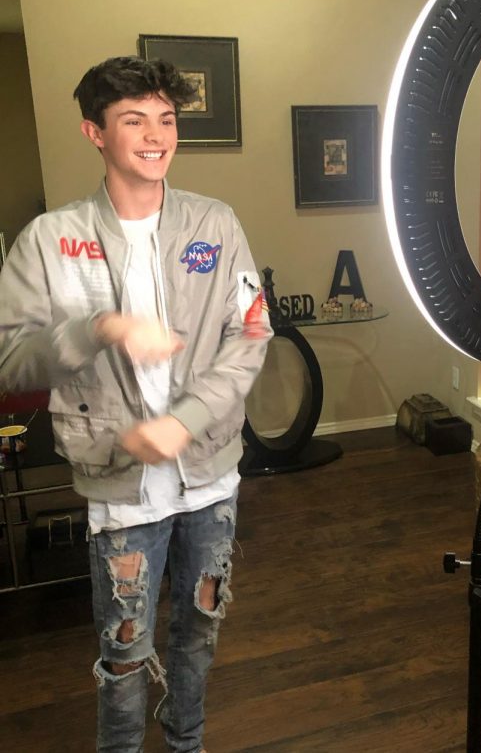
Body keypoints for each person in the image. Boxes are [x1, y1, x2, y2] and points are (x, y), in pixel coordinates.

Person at [0, 56, 272, 752]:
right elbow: (10, 361)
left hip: (210, 478)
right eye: (133, 120)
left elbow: (250, 334)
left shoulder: (216, 223)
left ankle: (187, 743)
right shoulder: (49, 242)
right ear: (94, 131)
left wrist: (184, 420)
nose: (155, 136)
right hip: (122, 491)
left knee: (200, 630)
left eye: (166, 119)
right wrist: (99, 329)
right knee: (124, 653)